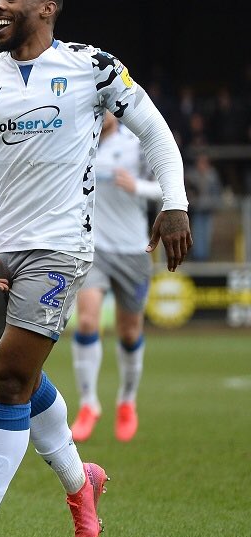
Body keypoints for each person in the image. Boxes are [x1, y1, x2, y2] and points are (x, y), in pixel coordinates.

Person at [0, 0, 191, 537]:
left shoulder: (92, 66)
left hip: (62, 247)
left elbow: (154, 129)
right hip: (0, 248)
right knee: (21, 377)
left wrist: (174, 202)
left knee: (11, 379)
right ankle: (80, 480)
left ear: (47, 10)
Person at [70, 112, 162, 443]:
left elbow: (169, 185)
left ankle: (126, 401)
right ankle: (88, 404)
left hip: (134, 251)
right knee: (86, 323)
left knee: (129, 330)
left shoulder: (137, 143)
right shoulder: (78, 139)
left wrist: (136, 185)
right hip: (93, 249)